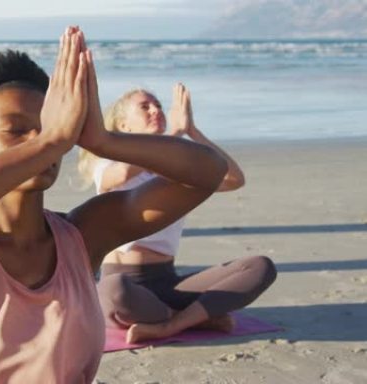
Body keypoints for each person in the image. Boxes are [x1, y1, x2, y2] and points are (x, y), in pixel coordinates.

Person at [0, 27, 227, 383]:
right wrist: (48, 142)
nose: (41, 140)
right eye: (16, 130)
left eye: (47, 127)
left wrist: (103, 140)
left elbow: (208, 173)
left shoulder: (84, 236)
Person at [78, 84, 277, 343]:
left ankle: (171, 324)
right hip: (122, 282)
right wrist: (175, 135)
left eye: (159, 105)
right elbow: (123, 175)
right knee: (114, 290)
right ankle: (197, 317)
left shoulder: (180, 172)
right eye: (145, 106)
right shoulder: (107, 164)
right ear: (124, 126)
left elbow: (234, 179)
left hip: (168, 283)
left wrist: (193, 133)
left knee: (260, 266)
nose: (155, 110)